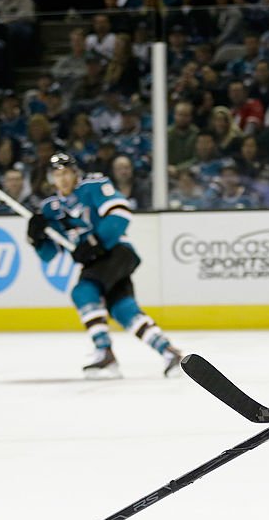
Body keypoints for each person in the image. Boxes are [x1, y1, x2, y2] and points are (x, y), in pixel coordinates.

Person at [27, 153, 182, 378]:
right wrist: (37, 237)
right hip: (96, 261)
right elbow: (50, 255)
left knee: (83, 292)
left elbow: (120, 213)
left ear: (75, 173)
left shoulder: (94, 186)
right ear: (52, 179)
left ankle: (104, 351)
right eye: (58, 175)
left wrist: (95, 242)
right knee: (123, 308)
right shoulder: (50, 209)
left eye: (67, 173)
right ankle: (168, 352)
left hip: (116, 252)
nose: (63, 179)